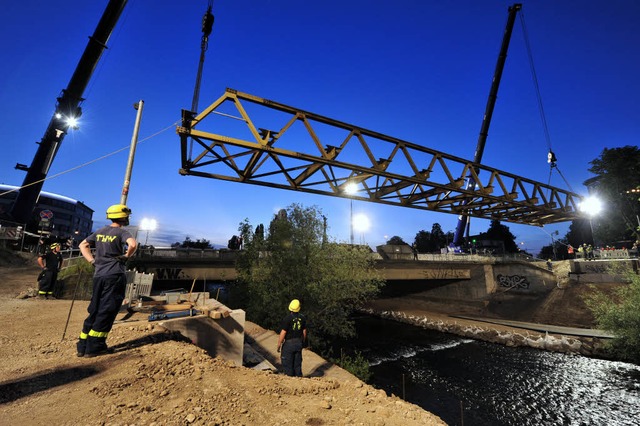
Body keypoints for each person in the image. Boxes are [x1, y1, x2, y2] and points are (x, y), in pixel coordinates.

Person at [77, 204, 137, 358]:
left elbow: (82, 245)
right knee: (107, 309)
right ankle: (95, 347)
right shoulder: (122, 232)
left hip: (99, 275)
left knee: (95, 308)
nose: (128, 218)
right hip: (114, 274)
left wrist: (92, 261)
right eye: (127, 216)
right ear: (123, 217)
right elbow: (133, 244)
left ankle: (83, 346)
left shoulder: (100, 231)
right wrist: (126, 256)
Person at [277, 299, 308, 377]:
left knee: (287, 364)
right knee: (297, 364)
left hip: (288, 344)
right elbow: (304, 331)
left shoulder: (287, 319)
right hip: (298, 343)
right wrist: (303, 342)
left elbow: (283, 332)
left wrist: (279, 344)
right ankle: (299, 379)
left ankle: (290, 380)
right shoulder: (302, 318)